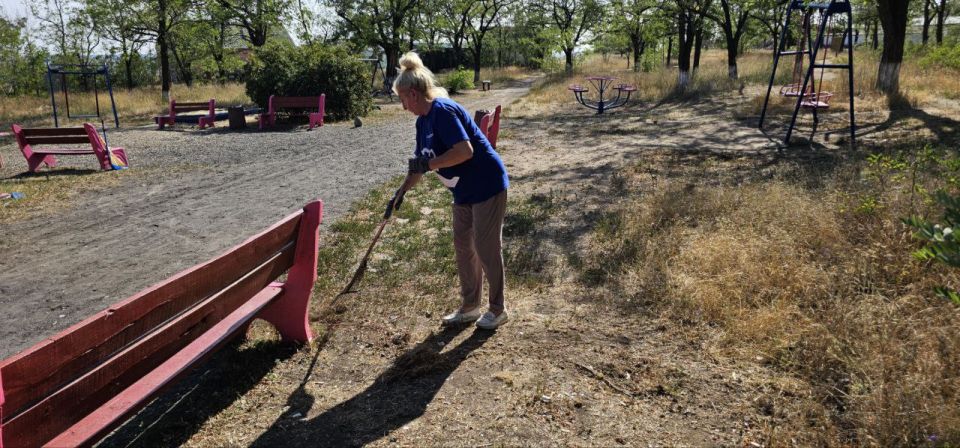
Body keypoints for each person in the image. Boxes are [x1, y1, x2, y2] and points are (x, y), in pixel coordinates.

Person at [386, 51, 510, 330]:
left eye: (402, 99)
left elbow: (464, 151)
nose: (403, 106)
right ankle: (470, 307)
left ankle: (497, 309)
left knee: (485, 246)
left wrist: (430, 164)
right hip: (463, 191)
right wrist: (401, 191)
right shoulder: (422, 122)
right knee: (464, 247)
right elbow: (420, 164)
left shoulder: (443, 111)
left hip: (487, 184)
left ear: (414, 94)